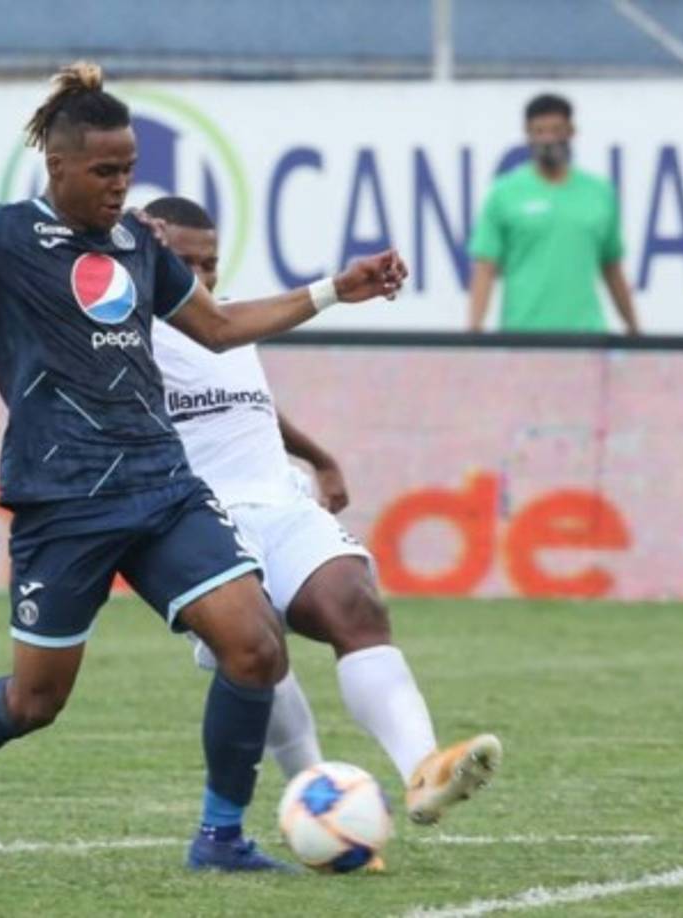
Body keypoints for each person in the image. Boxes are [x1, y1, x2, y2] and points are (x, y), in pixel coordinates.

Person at [0, 62, 407, 872]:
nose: (118, 186)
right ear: (57, 165)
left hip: (160, 488)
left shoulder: (136, 241)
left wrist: (333, 290)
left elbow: (221, 325)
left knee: (254, 646)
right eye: (103, 171)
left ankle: (219, 837)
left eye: (128, 169)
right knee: (35, 702)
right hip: (62, 500)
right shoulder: (0, 238)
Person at [145, 196, 502, 866]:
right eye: (182, 262)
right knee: (259, 651)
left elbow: (247, 405)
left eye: (210, 263)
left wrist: (317, 455)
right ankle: (317, 799)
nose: (199, 276)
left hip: (279, 503)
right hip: (197, 519)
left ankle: (423, 771)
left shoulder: (229, 323)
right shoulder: (121, 327)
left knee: (355, 603)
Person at [468, 93, 640, 334]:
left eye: (556, 130)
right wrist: (474, 329)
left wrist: (633, 327)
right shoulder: (505, 193)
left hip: (586, 337)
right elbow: (485, 267)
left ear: (571, 131)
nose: (548, 139)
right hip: (523, 336)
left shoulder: (598, 193)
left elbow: (612, 267)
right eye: (539, 131)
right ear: (527, 135)